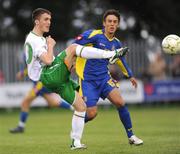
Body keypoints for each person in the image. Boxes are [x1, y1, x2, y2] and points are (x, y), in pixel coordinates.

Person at [21, 8, 127, 150]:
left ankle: (75, 142)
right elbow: (47, 60)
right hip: (48, 75)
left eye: (50, 20)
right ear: (36, 21)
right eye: (46, 19)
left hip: (50, 78)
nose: (49, 22)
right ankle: (109, 55)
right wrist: (51, 45)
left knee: (81, 107)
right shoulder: (36, 40)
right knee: (73, 48)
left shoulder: (34, 38)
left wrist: (67, 64)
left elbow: (47, 61)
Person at [74, 9, 143, 145]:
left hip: (104, 79)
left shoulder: (116, 43)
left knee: (120, 103)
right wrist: (70, 60)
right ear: (104, 23)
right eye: (109, 21)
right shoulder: (93, 35)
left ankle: (131, 136)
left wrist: (130, 76)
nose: (112, 24)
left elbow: (119, 60)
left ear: (118, 25)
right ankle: (75, 125)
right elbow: (74, 45)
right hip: (88, 80)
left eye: (115, 22)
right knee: (92, 114)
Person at [9, 67, 74, 134]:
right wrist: (23, 73)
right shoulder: (32, 57)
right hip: (40, 84)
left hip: (40, 84)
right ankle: (73, 107)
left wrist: (37, 86)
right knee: (52, 102)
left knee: (25, 102)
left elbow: (40, 68)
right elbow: (32, 68)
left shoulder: (36, 57)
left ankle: (21, 127)